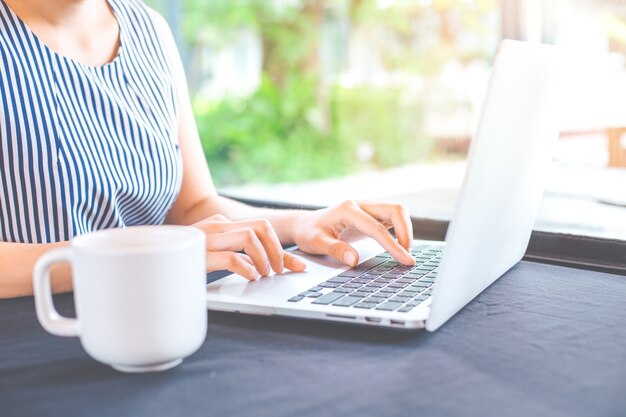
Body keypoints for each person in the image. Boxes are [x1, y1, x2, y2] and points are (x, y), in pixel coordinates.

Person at [0, 0, 415, 299]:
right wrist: (141, 257)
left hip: (161, 312)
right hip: (37, 334)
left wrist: (300, 225)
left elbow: (192, 207)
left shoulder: (149, 31)